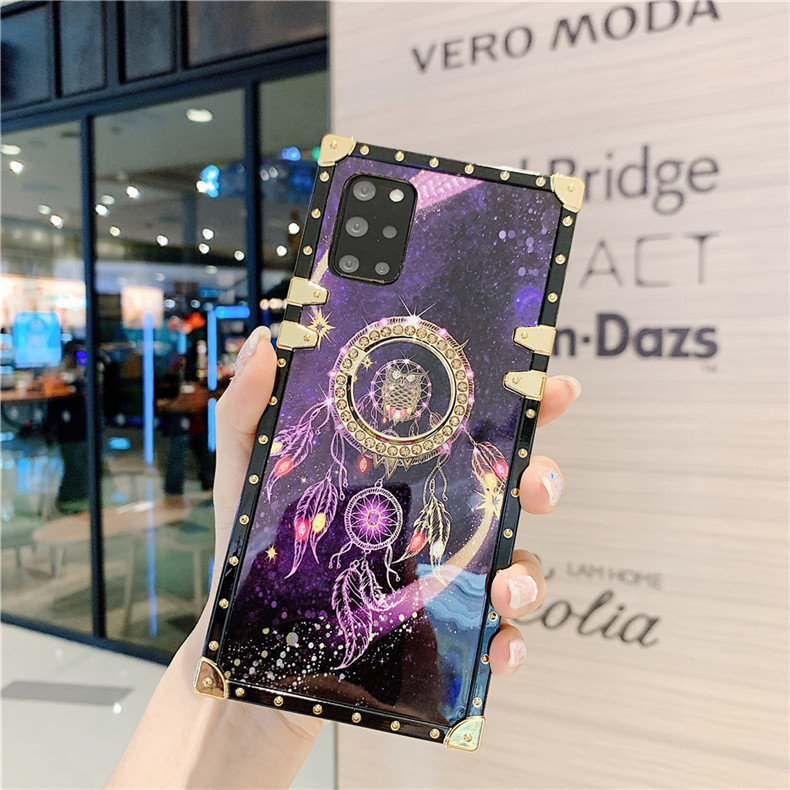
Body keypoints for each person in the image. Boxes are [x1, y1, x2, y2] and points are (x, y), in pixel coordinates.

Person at [107, 326, 580, 789]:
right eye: (391, 386)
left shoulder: (436, 478)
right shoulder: (304, 500)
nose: (397, 403)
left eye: (409, 391)